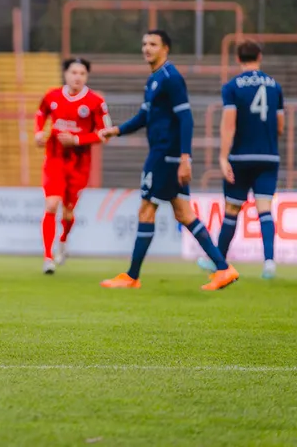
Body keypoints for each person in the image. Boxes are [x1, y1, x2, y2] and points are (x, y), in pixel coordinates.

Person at [98, 30, 239, 291]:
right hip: (167, 155)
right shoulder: (154, 80)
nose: (146, 48)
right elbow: (143, 117)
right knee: (184, 214)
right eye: (144, 44)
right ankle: (223, 268)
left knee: (146, 210)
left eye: (153, 44)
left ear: (165, 49)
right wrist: (116, 130)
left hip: (165, 155)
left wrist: (186, 158)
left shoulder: (171, 78)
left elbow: (186, 118)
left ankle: (132, 276)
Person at [197, 40, 283, 279]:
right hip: (268, 156)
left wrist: (224, 158)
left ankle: (219, 261)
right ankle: (269, 263)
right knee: (265, 210)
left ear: (238, 59)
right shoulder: (275, 86)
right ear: (260, 56)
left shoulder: (232, 86)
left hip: (241, 157)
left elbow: (229, 125)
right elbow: (280, 125)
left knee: (233, 210)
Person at [34, 57, 111, 273]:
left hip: (79, 163)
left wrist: (77, 140)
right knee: (51, 204)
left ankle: (64, 240)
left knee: (68, 212)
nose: (77, 77)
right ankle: (47, 258)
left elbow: (104, 133)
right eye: (73, 72)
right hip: (55, 158)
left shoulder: (96, 102)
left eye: (82, 74)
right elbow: (41, 115)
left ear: (86, 76)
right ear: (66, 74)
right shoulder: (52, 96)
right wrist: (39, 133)